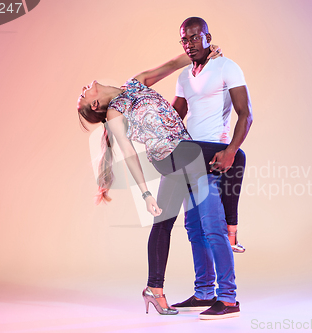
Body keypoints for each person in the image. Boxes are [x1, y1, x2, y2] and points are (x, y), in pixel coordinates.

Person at [77, 51, 240, 319]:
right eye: (83, 95)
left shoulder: (135, 83)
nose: (84, 89)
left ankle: (162, 290)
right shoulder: (116, 112)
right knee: (237, 157)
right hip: (172, 158)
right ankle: (228, 285)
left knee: (170, 225)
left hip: (182, 156)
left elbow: (173, 64)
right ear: (96, 105)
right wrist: (145, 193)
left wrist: (202, 55)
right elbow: (129, 154)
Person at [169, 17, 253, 313]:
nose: (189, 43)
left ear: (207, 37)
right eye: (184, 40)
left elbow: (245, 114)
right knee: (193, 227)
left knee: (211, 225)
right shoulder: (183, 77)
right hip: (190, 157)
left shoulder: (227, 67)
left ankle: (227, 297)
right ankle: (204, 291)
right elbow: (172, 119)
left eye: (194, 37)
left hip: (215, 156)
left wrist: (231, 151)